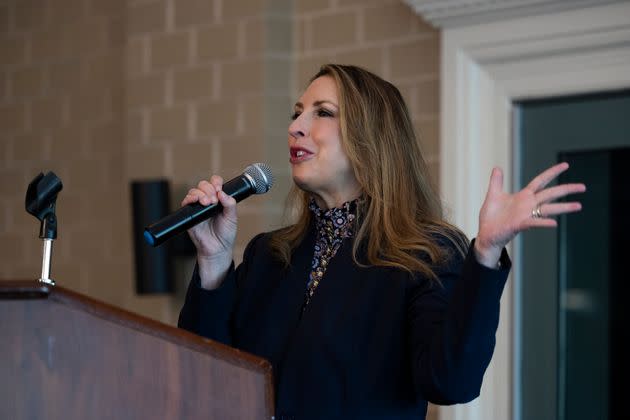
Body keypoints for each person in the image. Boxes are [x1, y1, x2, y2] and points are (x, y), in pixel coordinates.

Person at [177, 64, 585, 419]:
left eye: (323, 113)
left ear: (372, 138)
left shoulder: (425, 254)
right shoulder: (269, 254)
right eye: (297, 112)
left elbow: (451, 383)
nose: (295, 126)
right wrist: (213, 259)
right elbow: (205, 376)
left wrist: (486, 253)